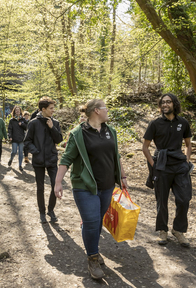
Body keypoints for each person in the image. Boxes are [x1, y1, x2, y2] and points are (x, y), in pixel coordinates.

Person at [55, 99, 128, 280]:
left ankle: (92, 248)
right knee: (91, 221)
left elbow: (115, 155)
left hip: (107, 185)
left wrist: (122, 176)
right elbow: (66, 159)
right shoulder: (78, 134)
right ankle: (93, 258)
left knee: (97, 221)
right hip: (84, 186)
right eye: (105, 108)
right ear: (96, 111)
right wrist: (58, 182)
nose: (108, 111)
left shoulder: (110, 131)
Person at [142, 93, 193, 248]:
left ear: (174, 104)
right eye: (162, 102)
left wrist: (187, 159)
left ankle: (178, 230)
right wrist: (153, 165)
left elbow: (188, 144)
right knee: (162, 200)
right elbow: (145, 147)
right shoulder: (155, 123)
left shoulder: (183, 122)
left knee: (184, 199)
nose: (165, 105)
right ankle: (162, 230)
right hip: (162, 165)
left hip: (179, 165)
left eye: (168, 102)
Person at [24, 97, 63, 224]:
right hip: (38, 161)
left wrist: (52, 127)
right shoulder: (33, 123)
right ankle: (42, 212)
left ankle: (51, 210)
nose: (53, 110)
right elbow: (27, 142)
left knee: (54, 185)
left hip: (52, 160)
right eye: (51, 108)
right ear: (43, 109)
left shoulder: (55, 122)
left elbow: (59, 140)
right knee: (40, 188)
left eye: (53, 108)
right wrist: (36, 152)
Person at [8, 106, 27, 170]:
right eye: (16, 110)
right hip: (14, 138)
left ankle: (20, 165)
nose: (17, 111)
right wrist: (10, 136)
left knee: (21, 152)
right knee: (14, 151)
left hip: (21, 138)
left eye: (18, 110)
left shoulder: (23, 120)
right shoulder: (12, 120)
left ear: (20, 111)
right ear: (14, 112)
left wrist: (22, 124)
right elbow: (9, 129)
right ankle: (11, 159)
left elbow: (27, 127)